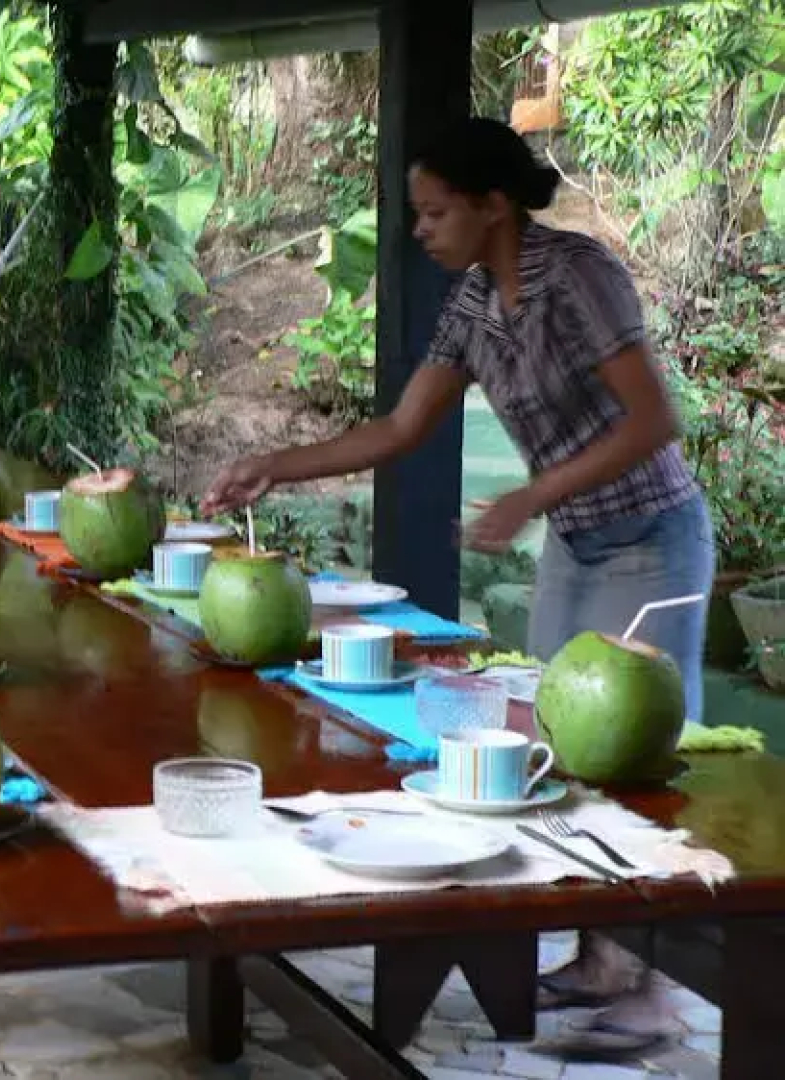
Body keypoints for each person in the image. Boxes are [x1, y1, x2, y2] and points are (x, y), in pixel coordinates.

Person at [201, 116, 713, 1052]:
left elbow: (652, 421)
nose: (420, 230)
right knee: (560, 746)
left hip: (651, 540)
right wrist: (274, 461)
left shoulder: (579, 277)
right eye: (416, 213)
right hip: (577, 538)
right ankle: (601, 961)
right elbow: (399, 430)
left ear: (493, 204)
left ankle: (651, 991)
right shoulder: (473, 301)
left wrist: (528, 496)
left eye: (436, 211)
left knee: (631, 761)